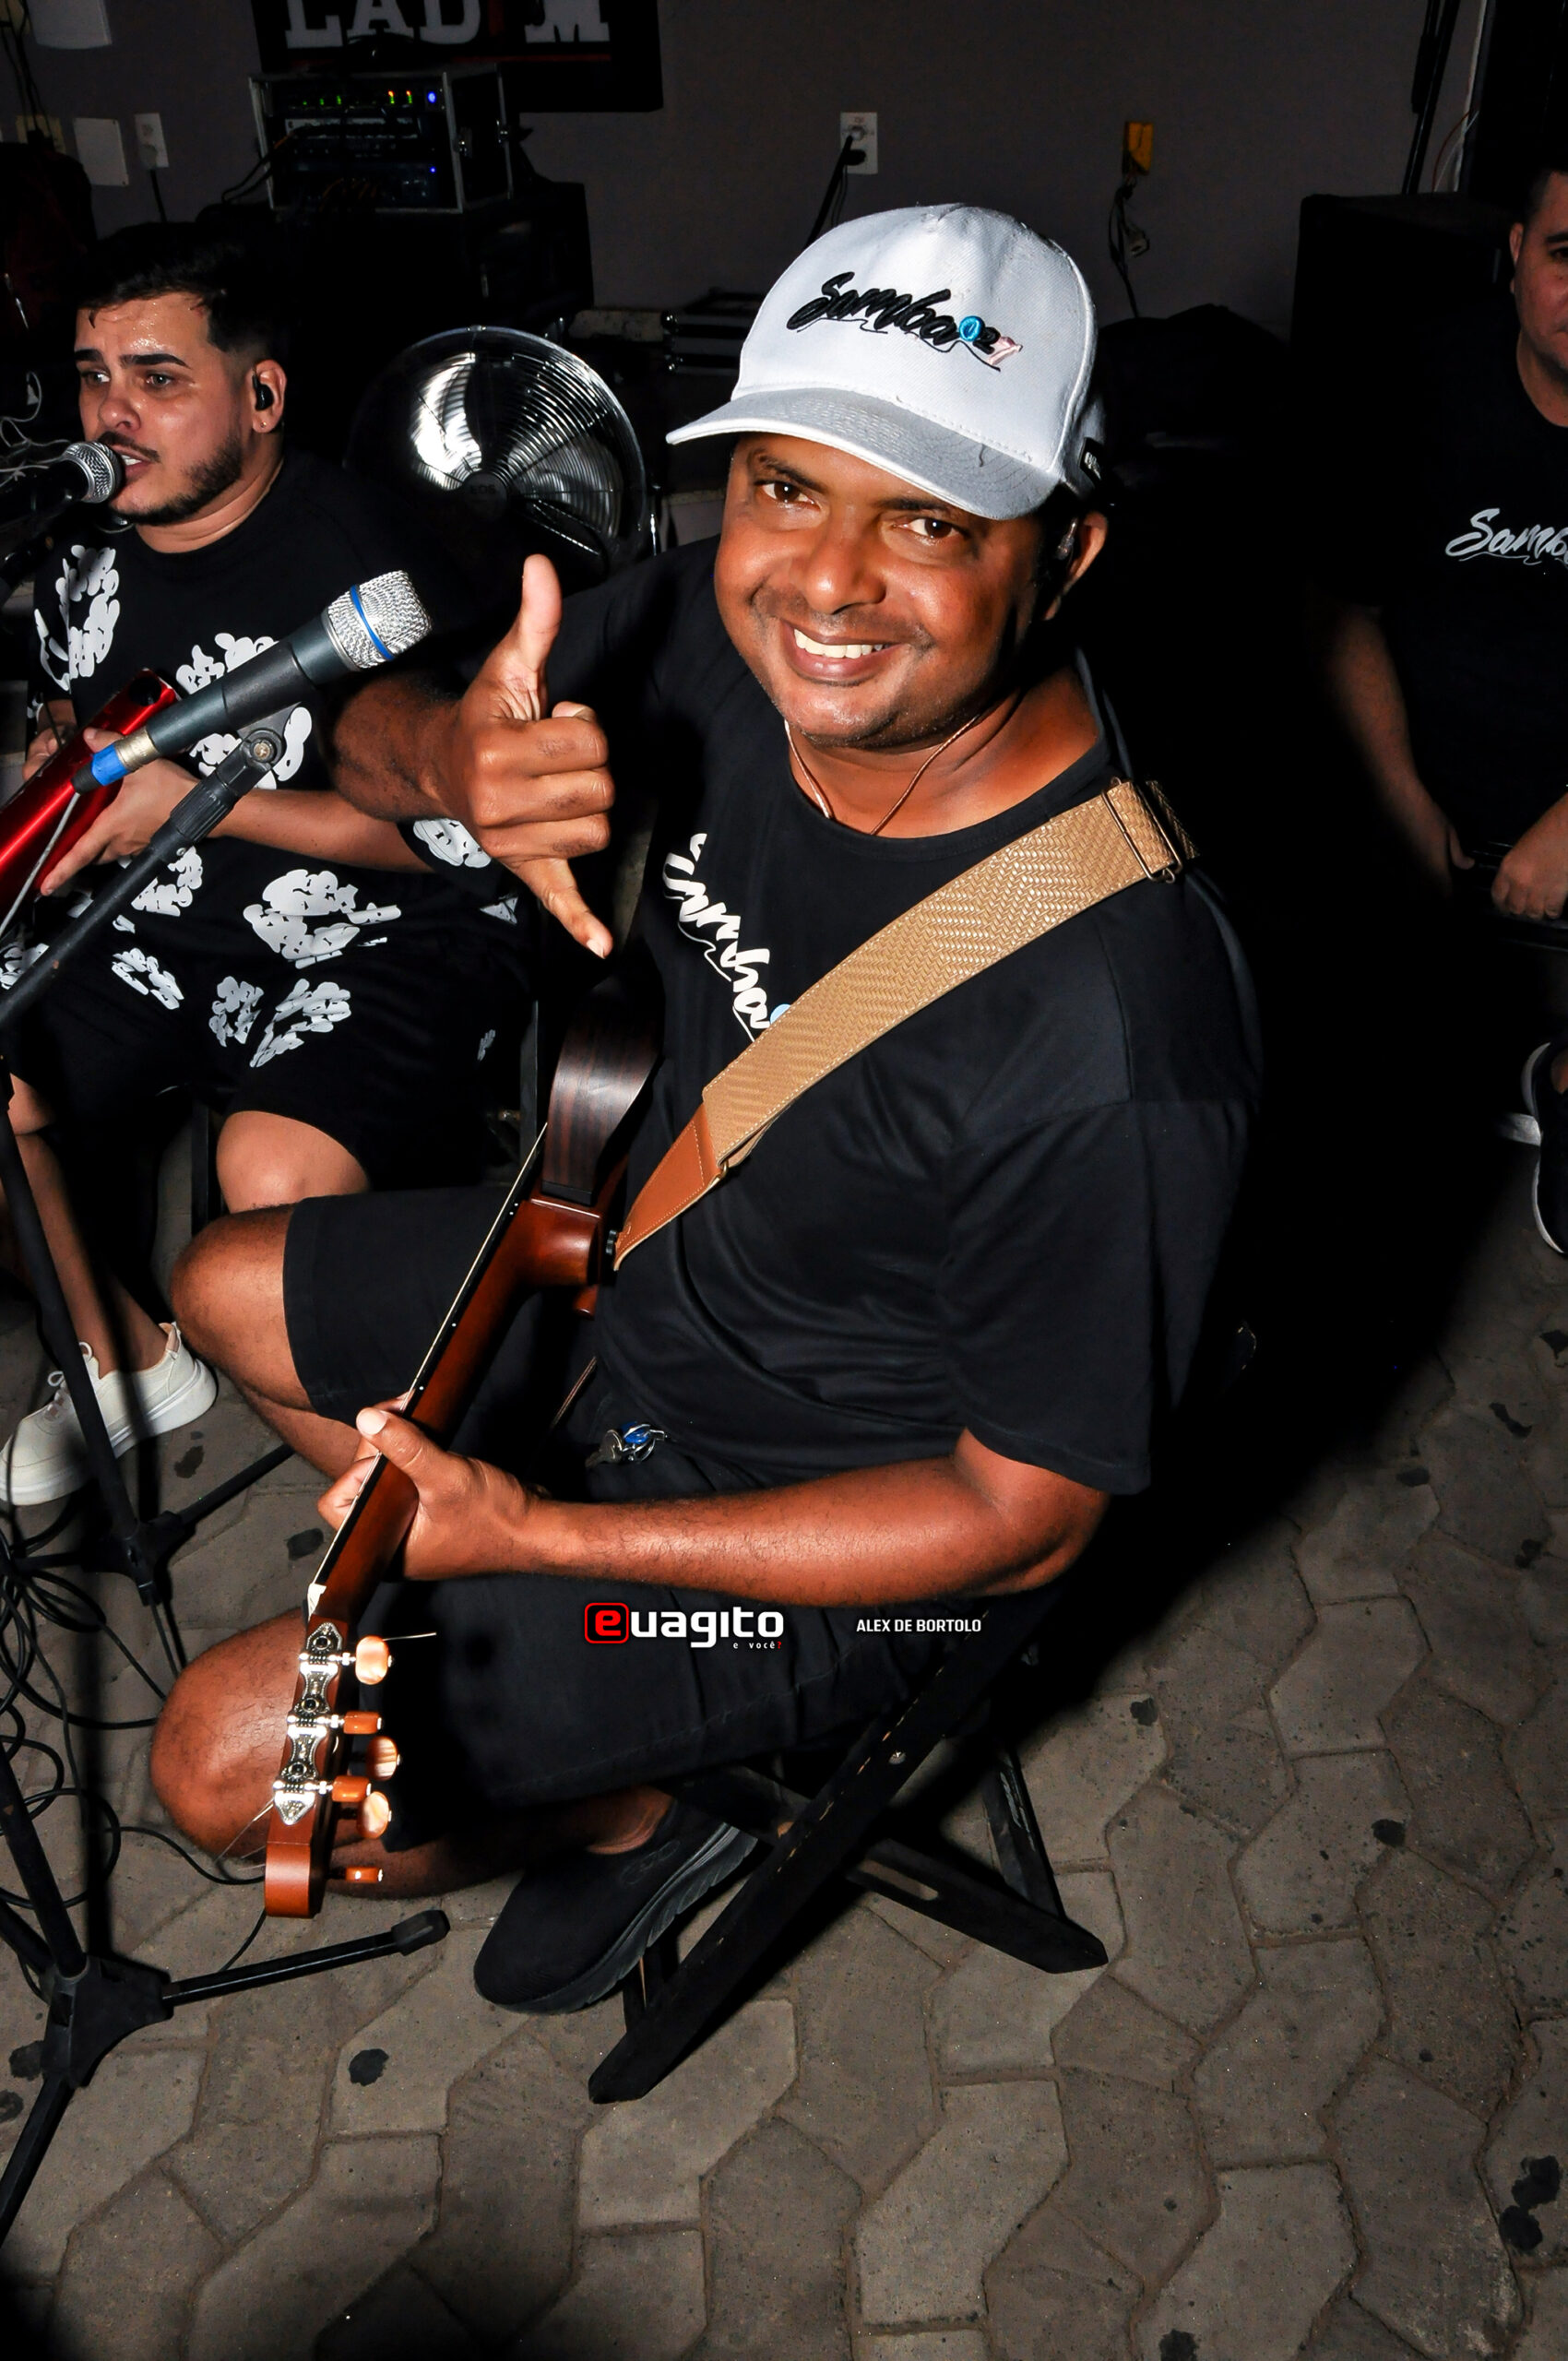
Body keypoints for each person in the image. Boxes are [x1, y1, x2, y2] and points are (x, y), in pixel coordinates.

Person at [151, 205, 1260, 2015]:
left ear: (1065, 554)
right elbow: (364, 728)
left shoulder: (1117, 1024)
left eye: (928, 519)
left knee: (226, 1764)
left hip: (834, 1521)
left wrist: (543, 1543)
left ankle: (635, 1798)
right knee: (219, 1282)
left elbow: (1022, 1519)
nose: (826, 582)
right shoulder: (705, 630)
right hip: (648, 1281)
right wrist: (458, 760)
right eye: (783, 488)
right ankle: (598, 1730)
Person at [0, 224, 529, 1505]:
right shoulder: (81, 547)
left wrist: (199, 812)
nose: (113, 415)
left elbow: (456, 838)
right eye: (93, 376)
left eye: (158, 378)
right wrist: (57, 762)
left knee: (269, 1174)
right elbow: (74, 705)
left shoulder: (376, 564)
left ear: (262, 394)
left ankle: (436, 1517)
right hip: (161, 920)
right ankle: (129, 1363)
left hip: (389, 924)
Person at [1314, 159, 1568, 1251]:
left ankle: (1559, 1078)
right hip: (1417, 766)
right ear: (1514, 255)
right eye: (1565, 255)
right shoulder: (1418, 384)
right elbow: (1342, 610)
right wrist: (1397, 798)